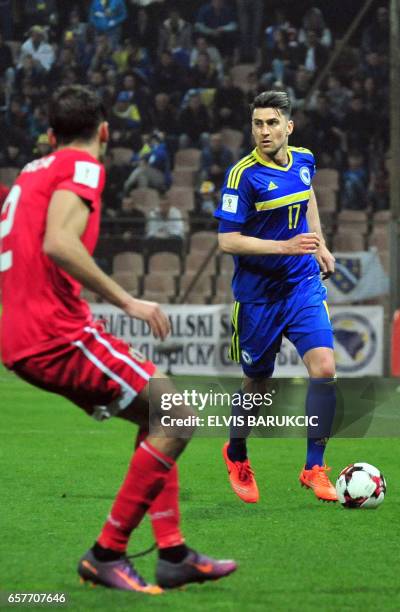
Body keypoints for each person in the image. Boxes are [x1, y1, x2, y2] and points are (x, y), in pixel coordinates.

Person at [0, 84, 237, 592]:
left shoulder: (30, 172)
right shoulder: (82, 167)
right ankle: (107, 553)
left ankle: (173, 553)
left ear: (50, 133)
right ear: (104, 131)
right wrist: (128, 300)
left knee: (159, 409)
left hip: (24, 330)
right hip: (57, 331)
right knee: (178, 414)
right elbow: (59, 243)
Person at [214, 90, 338, 505]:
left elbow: (308, 196)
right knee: (259, 383)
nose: (263, 131)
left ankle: (314, 467)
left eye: (271, 123)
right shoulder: (242, 176)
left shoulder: (303, 159)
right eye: (257, 124)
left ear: (289, 126)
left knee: (324, 368)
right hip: (258, 298)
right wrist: (284, 247)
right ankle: (236, 453)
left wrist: (318, 243)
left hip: (301, 286)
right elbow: (227, 241)